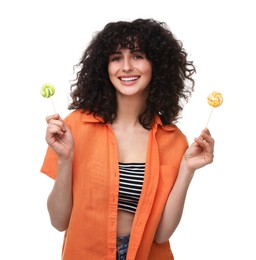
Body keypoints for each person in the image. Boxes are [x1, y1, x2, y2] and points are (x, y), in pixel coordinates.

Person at [41, 18, 214, 260]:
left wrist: (187, 169)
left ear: (156, 64)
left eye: (137, 56)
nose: (126, 67)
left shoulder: (173, 140)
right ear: (105, 67)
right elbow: (58, 221)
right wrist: (65, 159)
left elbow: (162, 235)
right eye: (116, 58)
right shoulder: (75, 127)